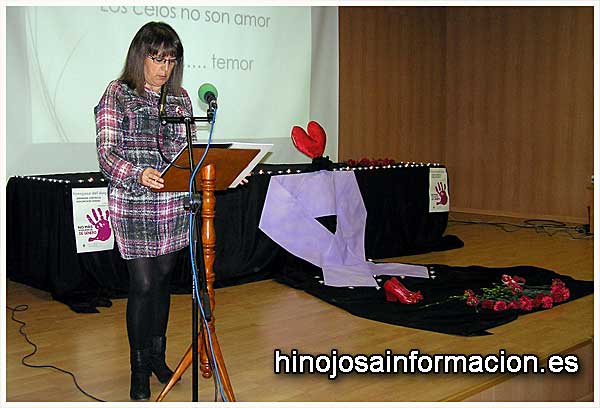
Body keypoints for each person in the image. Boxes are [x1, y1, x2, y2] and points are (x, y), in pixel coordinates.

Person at [94, 21, 193, 401]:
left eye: (170, 60)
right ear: (140, 57)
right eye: (157, 59)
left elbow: (188, 155)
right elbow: (106, 154)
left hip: (171, 204)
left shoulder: (181, 99)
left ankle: (156, 358)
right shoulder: (117, 93)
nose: (164, 68)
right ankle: (138, 370)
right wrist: (137, 173)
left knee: (164, 281)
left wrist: (223, 170)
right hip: (132, 201)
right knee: (144, 284)